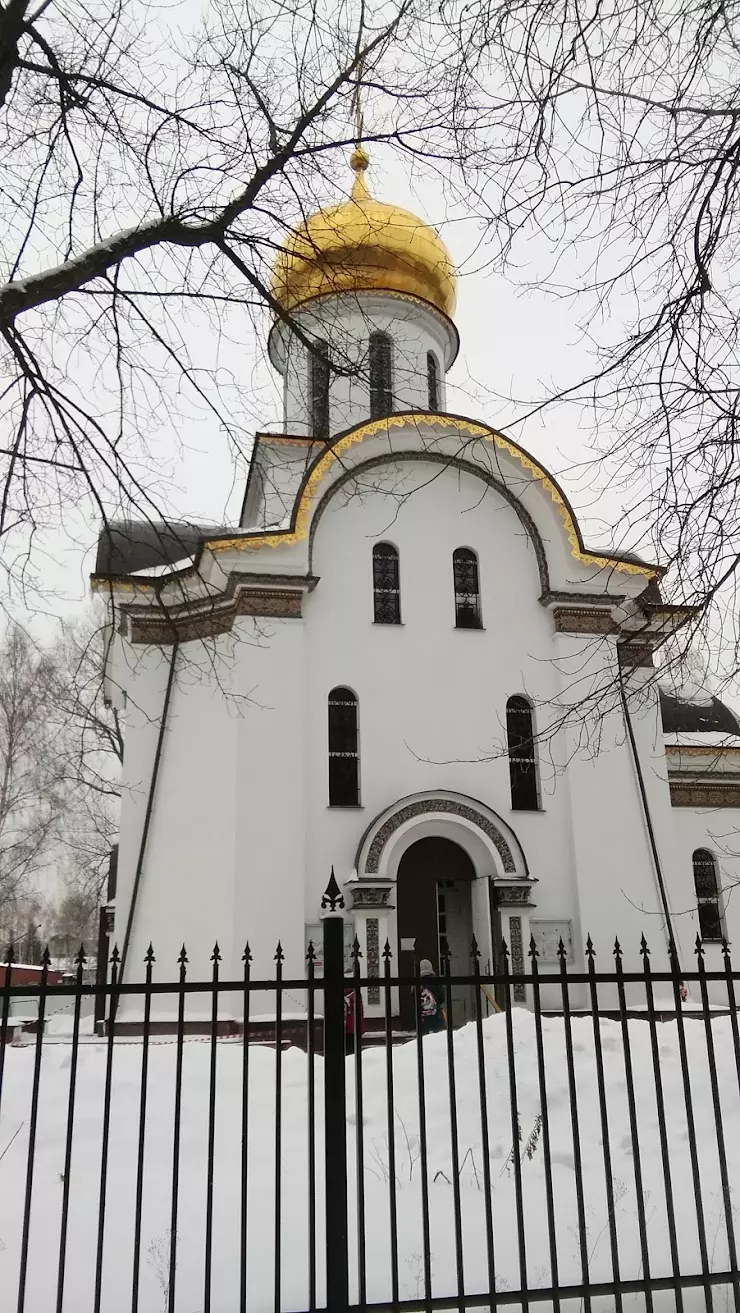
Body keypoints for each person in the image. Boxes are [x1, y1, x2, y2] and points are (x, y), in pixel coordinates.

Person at [418, 959, 446, 1034]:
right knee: (439, 1037)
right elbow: (442, 997)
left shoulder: (417, 983)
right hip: (436, 1015)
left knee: (424, 1040)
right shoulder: (436, 981)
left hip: (422, 1017)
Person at [344, 985, 365, 1055]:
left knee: (351, 1049)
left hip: (351, 1027)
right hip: (351, 1027)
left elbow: (353, 1013)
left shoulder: (352, 997)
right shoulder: (352, 996)